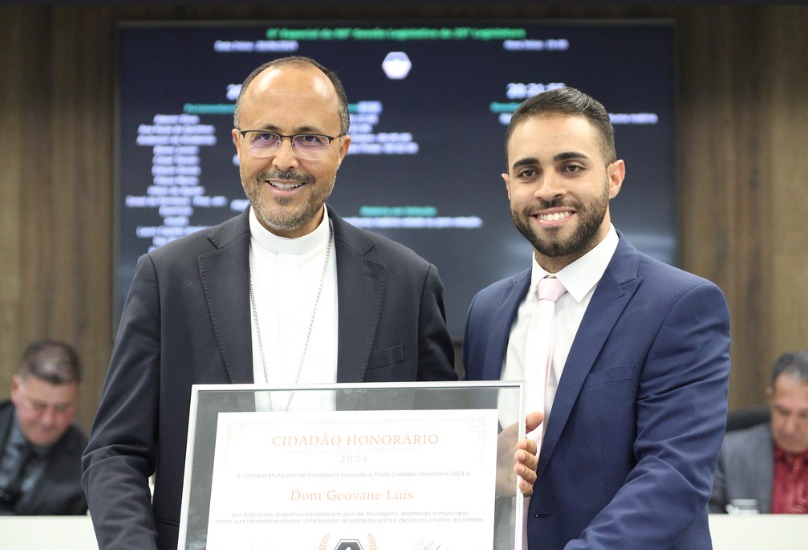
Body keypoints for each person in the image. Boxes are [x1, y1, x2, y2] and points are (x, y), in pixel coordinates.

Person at [82, 55, 537, 550]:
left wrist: (475, 467)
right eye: (265, 136)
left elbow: (436, 450)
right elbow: (114, 452)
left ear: (342, 149)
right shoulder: (167, 277)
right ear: (237, 144)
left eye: (309, 138)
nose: (284, 159)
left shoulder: (408, 281)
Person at [462, 86, 732, 549]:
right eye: (529, 172)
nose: (548, 189)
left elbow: (672, 477)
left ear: (614, 177)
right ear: (509, 186)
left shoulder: (683, 306)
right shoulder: (486, 311)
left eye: (571, 167)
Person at [709, 350, 808, 514]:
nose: (790, 427)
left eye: (805, 415)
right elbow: (708, 522)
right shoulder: (729, 454)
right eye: (783, 411)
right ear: (771, 398)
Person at [0, 339, 87, 515]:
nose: (48, 420)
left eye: (62, 408)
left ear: (77, 396)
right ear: (16, 388)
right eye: (38, 405)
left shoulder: (85, 462)